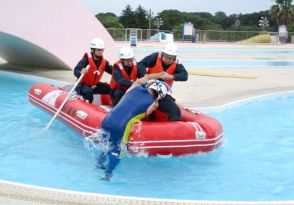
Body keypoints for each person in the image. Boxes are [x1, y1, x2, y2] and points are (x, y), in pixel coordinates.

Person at [97, 72, 170, 181]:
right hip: (120, 126)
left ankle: (99, 164)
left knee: (105, 144)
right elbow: (145, 114)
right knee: (117, 151)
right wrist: (156, 104)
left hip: (107, 120)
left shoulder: (134, 87)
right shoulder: (154, 104)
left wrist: (158, 75)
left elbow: (144, 78)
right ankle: (108, 175)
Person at [137, 42, 188, 121]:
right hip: (147, 90)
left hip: (161, 94)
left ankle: (173, 130)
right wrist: (145, 77)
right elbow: (141, 64)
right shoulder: (155, 57)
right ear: (162, 54)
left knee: (175, 111)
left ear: (174, 57)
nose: (168, 60)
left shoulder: (177, 64)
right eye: (166, 57)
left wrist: (171, 77)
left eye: (171, 58)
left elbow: (185, 76)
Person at [73, 38, 112, 103]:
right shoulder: (86, 60)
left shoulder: (104, 62)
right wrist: (80, 72)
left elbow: (113, 71)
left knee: (110, 88)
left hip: (94, 85)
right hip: (82, 85)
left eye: (102, 50)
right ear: (93, 50)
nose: (101, 52)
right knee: (88, 92)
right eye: (99, 50)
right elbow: (76, 70)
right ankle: (87, 108)